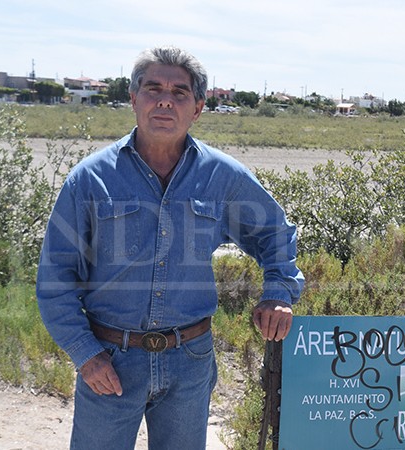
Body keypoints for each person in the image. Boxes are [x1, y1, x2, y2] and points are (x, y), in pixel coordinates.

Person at [36, 46, 304, 449]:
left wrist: (278, 290)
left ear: (197, 108)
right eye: (153, 88)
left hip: (189, 360)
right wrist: (85, 353)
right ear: (133, 99)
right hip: (109, 360)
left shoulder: (222, 176)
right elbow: (56, 278)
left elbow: (275, 232)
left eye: (180, 92)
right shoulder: (90, 180)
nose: (165, 99)